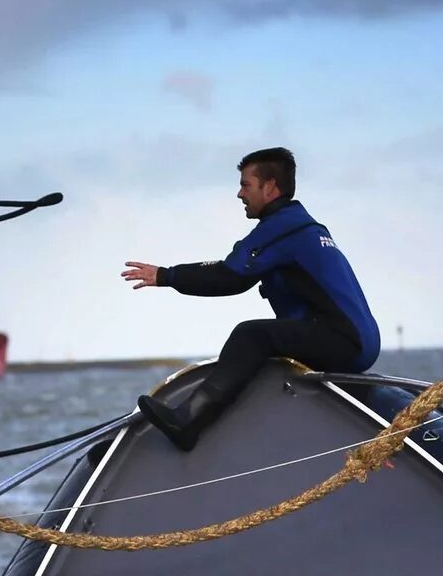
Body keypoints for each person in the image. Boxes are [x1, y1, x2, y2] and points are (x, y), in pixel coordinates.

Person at [122, 147, 380, 450]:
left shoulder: (281, 228)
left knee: (252, 334)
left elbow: (230, 276)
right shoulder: (302, 225)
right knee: (267, 339)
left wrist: (167, 275)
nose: (239, 194)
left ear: (269, 187)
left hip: (344, 341)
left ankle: (189, 421)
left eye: (245, 185)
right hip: (357, 340)